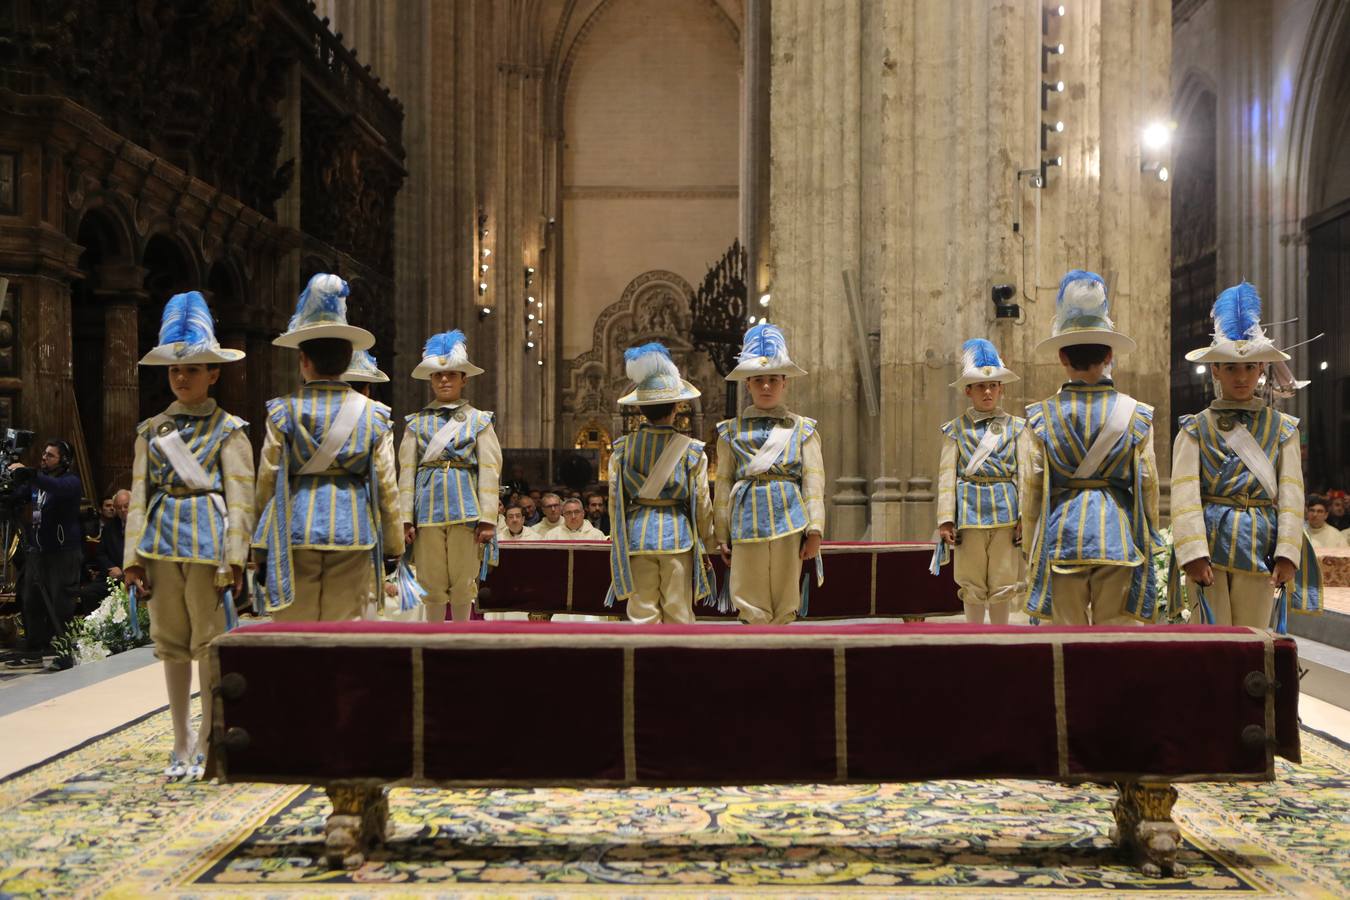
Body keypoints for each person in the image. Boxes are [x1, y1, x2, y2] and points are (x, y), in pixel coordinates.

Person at [122, 291, 255, 779]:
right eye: (175, 370)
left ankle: (206, 737)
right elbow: (140, 495)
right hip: (160, 542)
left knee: (208, 642)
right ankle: (179, 738)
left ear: (213, 374)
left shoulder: (230, 430)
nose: (181, 378)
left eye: (193, 369)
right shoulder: (152, 431)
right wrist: (132, 557)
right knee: (170, 642)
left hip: (208, 546)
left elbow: (241, 499)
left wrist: (235, 557)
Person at [253, 273, 402, 623]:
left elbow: (267, 480)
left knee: (295, 630)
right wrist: (393, 544)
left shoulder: (283, 411)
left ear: (303, 360)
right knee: (341, 631)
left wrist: (259, 543)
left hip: (295, 530)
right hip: (354, 530)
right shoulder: (374, 415)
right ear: (349, 359)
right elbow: (386, 485)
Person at [1171, 283, 1320, 627]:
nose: (1241, 377)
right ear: (1215, 370)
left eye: (1250, 367)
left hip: (1260, 547)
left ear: (1262, 369)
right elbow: (1184, 495)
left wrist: (1287, 553)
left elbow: (1292, 495)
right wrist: (1192, 553)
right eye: (1231, 368)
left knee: (1254, 639)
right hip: (1209, 548)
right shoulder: (1195, 428)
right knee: (1209, 642)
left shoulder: (1283, 429)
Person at [1022, 270, 1161, 625]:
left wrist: (1031, 544)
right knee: (1115, 639)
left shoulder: (1042, 416)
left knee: (1065, 640)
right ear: (1110, 354)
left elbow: (1032, 487)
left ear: (1062, 357)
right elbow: (1147, 483)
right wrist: (1149, 532)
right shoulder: (1136, 415)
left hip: (1062, 537)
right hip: (1118, 537)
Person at [714, 324, 825, 625]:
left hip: (791, 519)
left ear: (784, 383)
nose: (766, 386)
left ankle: (782, 645)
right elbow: (723, 483)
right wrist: (721, 533)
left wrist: (815, 530)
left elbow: (813, 482)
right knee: (749, 598)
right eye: (759, 380)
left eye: (773, 379)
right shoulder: (730, 431)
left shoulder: (803, 429)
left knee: (786, 597)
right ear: (747, 384)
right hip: (744, 519)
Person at [608, 343, 713, 623]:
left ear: (640, 407)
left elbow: (615, 501)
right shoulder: (692, 451)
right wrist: (709, 540)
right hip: (678, 537)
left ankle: (643, 654)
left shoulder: (622, 449)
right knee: (678, 613)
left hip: (636, 537)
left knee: (642, 614)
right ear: (678, 406)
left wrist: (618, 539)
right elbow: (702, 502)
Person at [399, 330, 499, 623]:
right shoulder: (415, 423)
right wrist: (405, 518)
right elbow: (406, 472)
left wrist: (488, 518)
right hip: (426, 512)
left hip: (466, 510)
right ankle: (433, 639)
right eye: (438, 375)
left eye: (451, 375)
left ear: (463, 379)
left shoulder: (479, 420)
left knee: (463, 582)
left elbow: (490, 470)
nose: (444, 380)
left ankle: (461, 637)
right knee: (430, 583)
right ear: (430, 379)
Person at [935, 339, 1029, 625]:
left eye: (993, 386)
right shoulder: (955, 430)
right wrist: (946, 519)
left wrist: (1024, 516)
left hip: (1005, 513)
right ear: (968, 390)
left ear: (1001, 389)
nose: (987, 392)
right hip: (969, 514)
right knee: (972, 584)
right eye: (980, 386)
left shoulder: (1017, 427)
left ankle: (999, 640)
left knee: (1002, 584)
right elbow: (946, 477)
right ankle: (973, 639)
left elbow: (1025, 474)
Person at [7, 440, 83, 662]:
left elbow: (55, 487)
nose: (44, 458)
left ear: (64, 460)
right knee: (31, 599)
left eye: (50, 455)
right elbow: (17, 495)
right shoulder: (38, 482)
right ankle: (35, 647)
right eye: (44, 453)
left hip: (63, 552)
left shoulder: (71, 482)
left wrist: (29, 473)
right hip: (38, 551)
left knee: (60, 602)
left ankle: (61, 648)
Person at [93, 489, 130, 581]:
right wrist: (111, 567)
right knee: (89, 589)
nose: (123, 510)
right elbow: (100, 553)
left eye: (126, 506)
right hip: (116, 576)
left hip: (138, 575)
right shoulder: (109, 527)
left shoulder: (145, 524)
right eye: (119, 507)